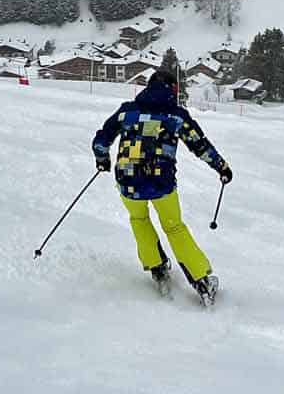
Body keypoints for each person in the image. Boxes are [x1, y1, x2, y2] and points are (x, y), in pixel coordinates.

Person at [93, 68, 231, 300]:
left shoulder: (127, 111)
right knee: (174, 227)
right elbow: (200, 145)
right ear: (173, 89)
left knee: (139, 219)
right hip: (161, 182)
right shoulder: (176, 116)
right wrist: (221, 167)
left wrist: (103, 160)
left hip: (128, 182)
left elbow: (101, 140)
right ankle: (202, 281)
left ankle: (157, 268)